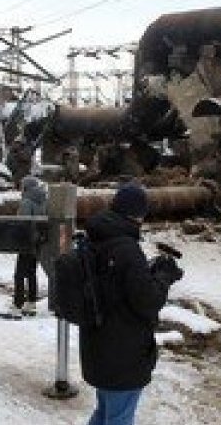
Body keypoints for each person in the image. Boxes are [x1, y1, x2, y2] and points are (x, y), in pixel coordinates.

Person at [80, 182, 183, 425]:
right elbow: (148, 301)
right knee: (119, 418)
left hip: (99, 345)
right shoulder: (126, 249)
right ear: (138, 214)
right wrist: (164, 277)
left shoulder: (97, 238)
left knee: (105, 412)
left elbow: (116, 284)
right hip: (122, 351)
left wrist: (148, 273)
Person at [4, 173, 46, 319]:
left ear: (27, 187)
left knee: (19, 275)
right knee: (31, 273)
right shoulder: (43, 200)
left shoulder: (27, 202)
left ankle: (17, 305)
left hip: (26, 242)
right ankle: (31, 303)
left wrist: (15, 238)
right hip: (37, 242)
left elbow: (22, 224)